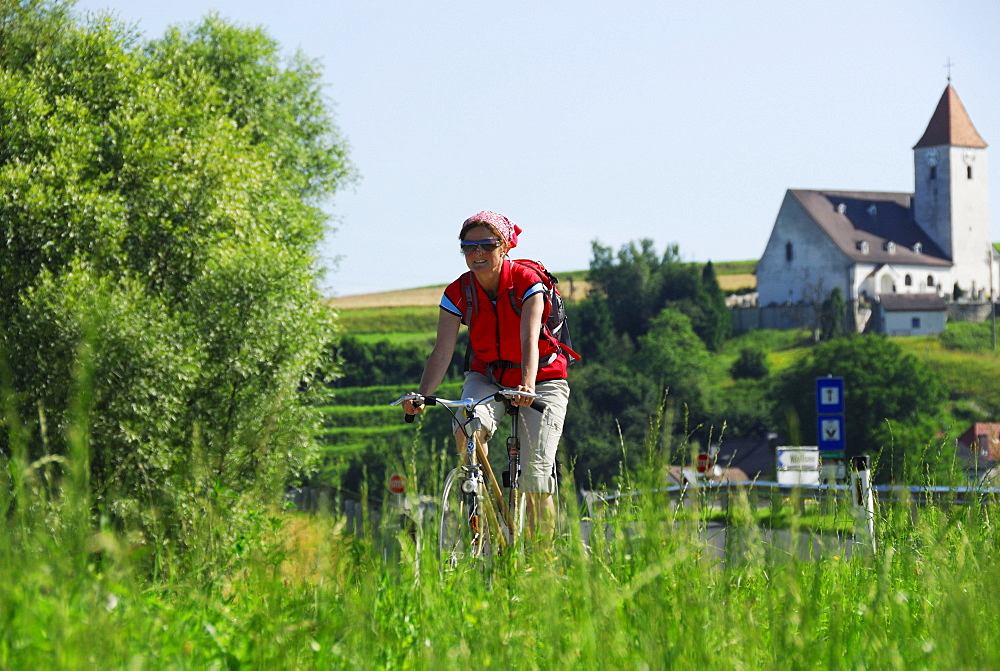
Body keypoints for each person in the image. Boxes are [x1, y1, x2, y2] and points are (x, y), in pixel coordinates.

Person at [402, 210, 578, 538]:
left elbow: (529, 337)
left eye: (486, 245)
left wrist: (526, 385)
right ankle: (479, 511)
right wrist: (423, 394)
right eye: (468, 247)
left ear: (505, 246)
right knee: (465, 429)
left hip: (541, 377)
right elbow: (442, 350)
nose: (477, 253)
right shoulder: (458, 292)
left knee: (536, 479)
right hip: (488, 374)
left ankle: (544, 565)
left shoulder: (528, 283)